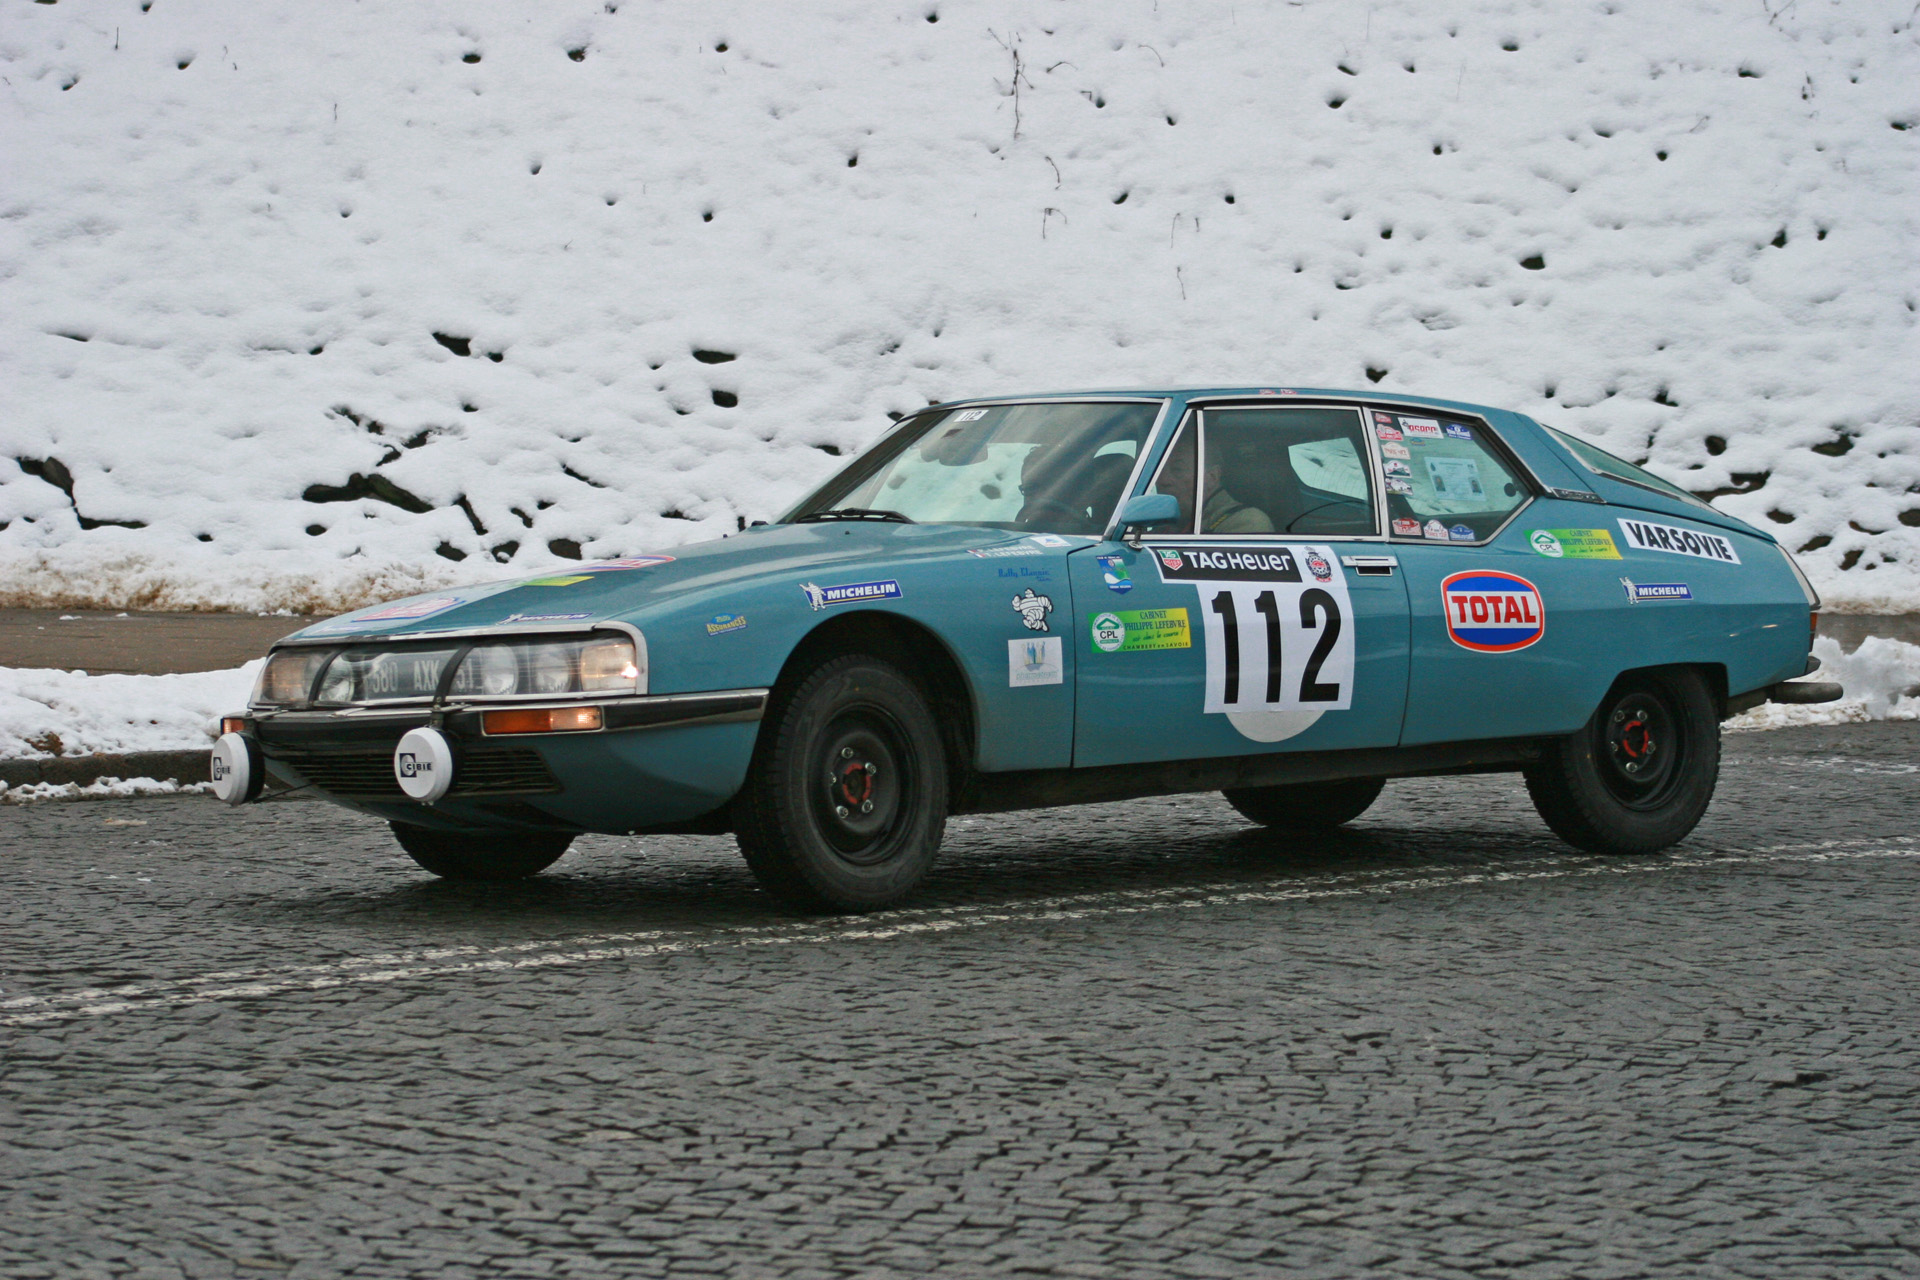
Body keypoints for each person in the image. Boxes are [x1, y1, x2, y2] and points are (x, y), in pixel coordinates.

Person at [1153, 434, 1274, 534]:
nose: (1162, 480)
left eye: (1177, 469)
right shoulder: (1169, 524)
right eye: (1159, 470)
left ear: (1212, 477)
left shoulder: (1247, 521)